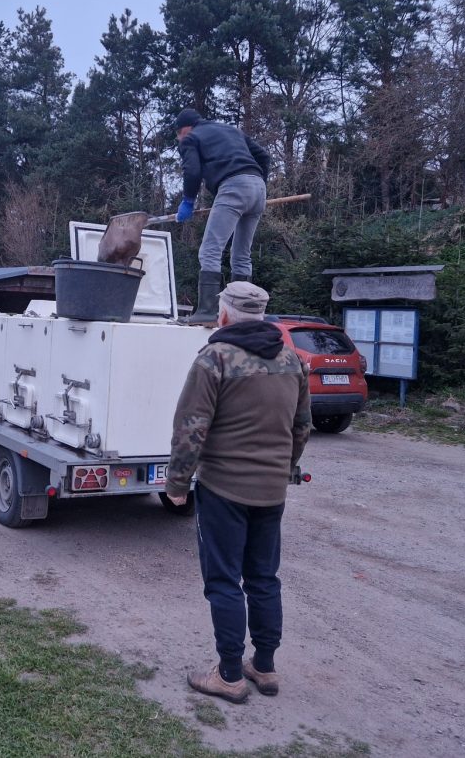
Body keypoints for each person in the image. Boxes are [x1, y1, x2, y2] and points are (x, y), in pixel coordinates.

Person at [165, 281, 311, 703]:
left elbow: (191, 427)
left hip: (223, 488)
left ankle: (229, 674)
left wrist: (177, 484)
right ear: (262, 315)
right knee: (264, 578)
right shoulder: (293, 360)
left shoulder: (215, 359)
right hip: (271, 491)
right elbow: (301, 428)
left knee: (224, 581)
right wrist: (282, 469)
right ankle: (263, 666)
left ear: (224, 314)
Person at [174, 108, 271, 325]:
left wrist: (188, 200)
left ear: (185, 129)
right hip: (258, 189)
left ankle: (207, 313)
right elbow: (264, 156)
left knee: (210, 251)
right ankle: (246, 315)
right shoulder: (231, 131)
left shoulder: (191, 138)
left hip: (233, 186)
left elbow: (192, 171)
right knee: (241, 255)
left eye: (178, 134)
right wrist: (257, 181)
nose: (179, 139)